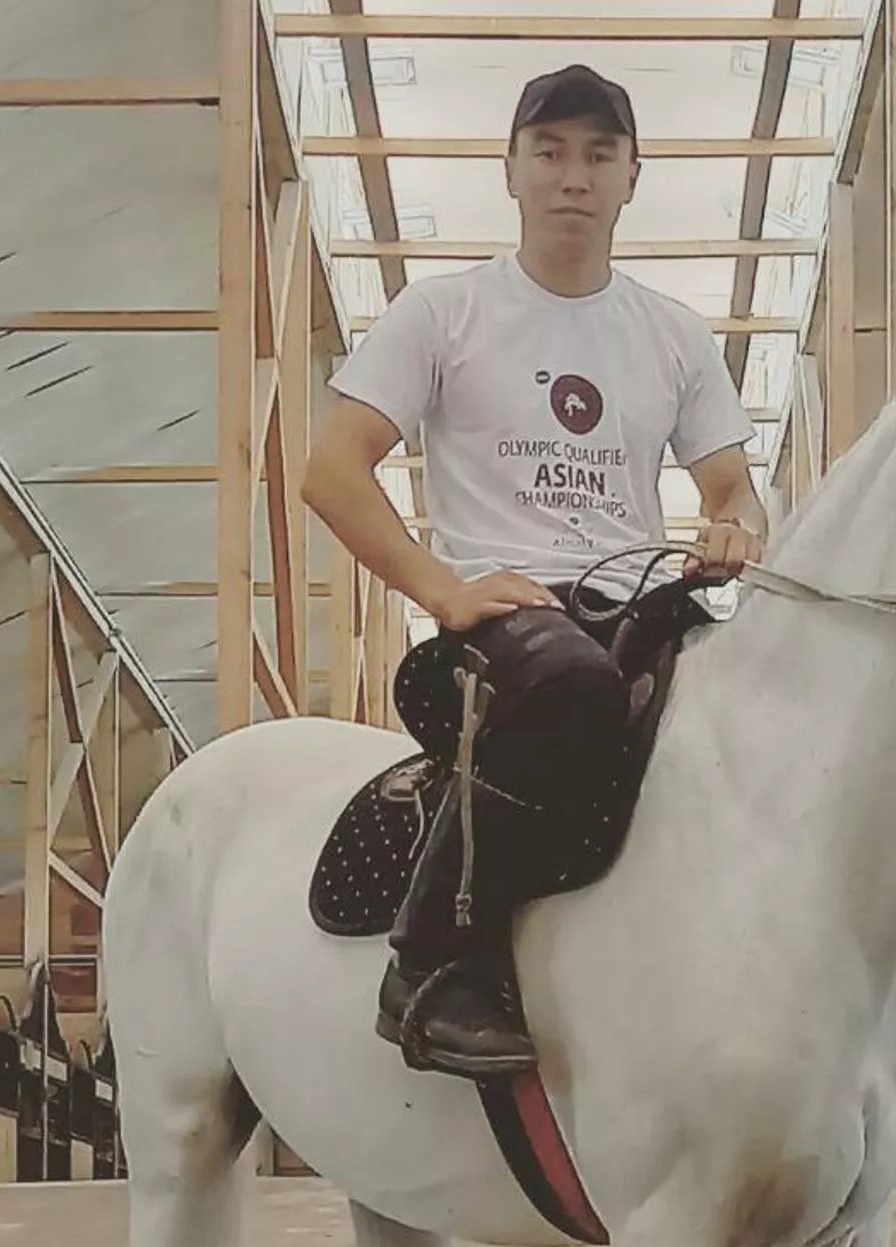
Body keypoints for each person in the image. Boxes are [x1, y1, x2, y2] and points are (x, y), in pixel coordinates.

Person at [301, 63, 769, 1078]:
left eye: (599, 154)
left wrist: (733, 530)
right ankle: (431, 962)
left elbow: (735, 490)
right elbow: (330, 471)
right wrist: (443, 589)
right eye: (549, 152)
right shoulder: (443, 313)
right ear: (509, 170)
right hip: (507, 620)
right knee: (571, 684)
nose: (574, 176)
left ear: (633, 177)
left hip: (640, 603)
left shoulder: (674, 334)